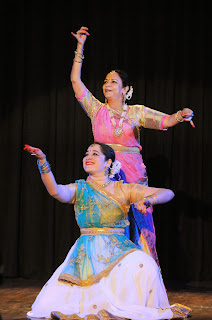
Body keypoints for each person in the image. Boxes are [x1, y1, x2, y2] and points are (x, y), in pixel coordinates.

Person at [70, 26, 195, 267]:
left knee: (139, 221)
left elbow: (165, 120)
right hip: (105, 175)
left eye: (114, 82)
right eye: (105, 81)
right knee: (109, 222)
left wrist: (181, 114)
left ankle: (141, 277)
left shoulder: (136, 113)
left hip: (134, 174)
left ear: (126, 89)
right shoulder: (96, 110)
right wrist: (80, 47)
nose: (107, 85)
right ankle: (106, 276)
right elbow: (76, 80)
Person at [24, 142, 191, 320]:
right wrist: (43, 161)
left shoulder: (123, 189)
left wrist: (148, 201)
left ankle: (124, 308)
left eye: (95, 154)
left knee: (146, 265)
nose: (88, 157)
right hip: (87, 251)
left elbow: (168, 193)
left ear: (108, 162)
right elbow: (56, 191)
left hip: (119, 249)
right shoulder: (80, 189)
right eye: (87, 153)